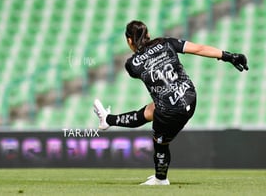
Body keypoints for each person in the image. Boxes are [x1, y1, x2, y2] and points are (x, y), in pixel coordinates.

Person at [93, 20, 248, 185]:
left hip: (170, 112)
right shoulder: (167, 42)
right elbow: (199, 49)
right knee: (150, 110)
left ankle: (161, 179)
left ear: (129, 41)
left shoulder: (132, 65)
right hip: (190, 98)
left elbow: (146, 68)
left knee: (160, 142)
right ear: (148, 35)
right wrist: (229, 56)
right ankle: (107, 120)